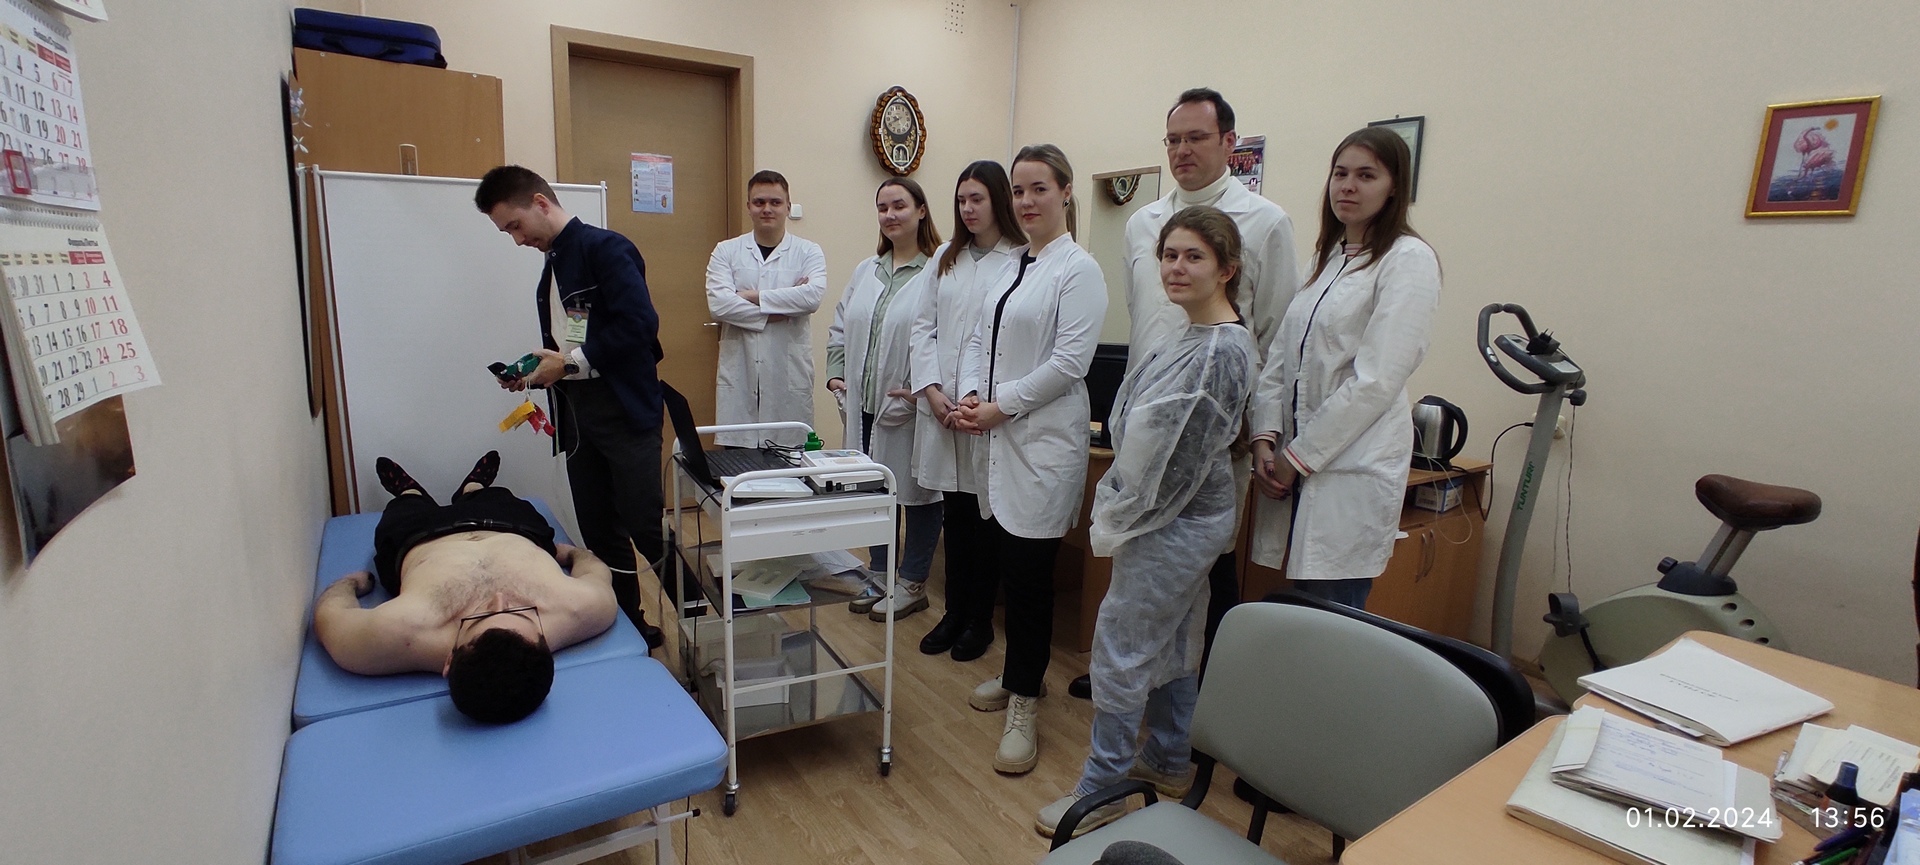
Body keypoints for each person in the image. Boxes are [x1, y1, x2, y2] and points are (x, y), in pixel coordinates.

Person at [1037, 207, 1257, 837]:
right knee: (1176, 639)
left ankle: (1103, 788)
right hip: (1173, 514)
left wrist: (1122, 510)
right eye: (1169, 255)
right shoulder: (1192, 335)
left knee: (1123, 645)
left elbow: (1177, 459)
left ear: (1227, 269)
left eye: (1194, 257)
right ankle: (1167, 757)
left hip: (1175, 519)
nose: (1176, 268)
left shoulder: (1220, 350)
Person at [1073, 88, 1299, 702]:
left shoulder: (1265, 222)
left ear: (1229, 142)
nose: (1182, 150)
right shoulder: (1144, 223)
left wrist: (1264, 433)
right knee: (1139, 557)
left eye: (1196, 138)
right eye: (1173, 140)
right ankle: (1131, 674)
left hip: (1213, 430)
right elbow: (1145, 320)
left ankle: (1205, 703)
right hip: (1150, 421)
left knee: (1204, 569)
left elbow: (1276, 339)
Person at [950, 144, 1107, 774]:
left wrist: (1001, 405)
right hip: (998, 436)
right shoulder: (1014, 262)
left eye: (1039, 188)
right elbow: (978, 340)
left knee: (1030, 577)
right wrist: (971, 394)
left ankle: (1024, 705)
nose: (1026, 201)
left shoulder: (1079, 270)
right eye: (1018, 190)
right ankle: (1025, 674)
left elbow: (1069, 364)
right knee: (1009, 570)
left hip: (1041, 443)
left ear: (1066, 192)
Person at [1248, 126, 1442, 608]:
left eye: (1366, 175)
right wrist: (1264, 437)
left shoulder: (1408, 260)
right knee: (1303, 609)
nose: (1348, 186)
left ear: (1394, 187)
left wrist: (1297, 457)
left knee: (1333, 615)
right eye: (1340, 174)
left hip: (1347, 467)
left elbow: (1376, 381)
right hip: (1295, 466)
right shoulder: (1326, 259)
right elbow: (1281, 359)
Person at [476, 165, 667, 649]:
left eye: (516, 225)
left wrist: (568, 363)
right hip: (577, 414)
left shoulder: (607, 249)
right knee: (599, 532)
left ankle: (705, 616)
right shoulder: (553, 267)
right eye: (507, 232)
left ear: (541, 203)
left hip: (624, 411)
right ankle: (631, 626)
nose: (517, 240)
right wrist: (536, 371)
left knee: (646, 527)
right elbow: (572, 343)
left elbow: (639, 327)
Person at [313, 451, 619, 724]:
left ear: (448, 661)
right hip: (513, 527)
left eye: (478, 618)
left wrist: (350, 584)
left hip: (419, 535)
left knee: (404, 507)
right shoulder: (584, 608)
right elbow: (594, 570)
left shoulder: (397, 634)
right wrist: (573, 554)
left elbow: (329, 616)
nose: (499, 599)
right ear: (544, 644)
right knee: (498, 496)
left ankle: (409, 492)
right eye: (521, 612)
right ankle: (473, 488)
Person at [909, 160, 1026, 661]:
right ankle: (953, 612)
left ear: (999, 200)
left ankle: (980, 621)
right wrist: (932, 391)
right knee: (953, 516)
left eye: (977, 198)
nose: (968, 208)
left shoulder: (1019, 257)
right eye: (961, 200)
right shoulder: (945, 257)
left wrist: (977, 398)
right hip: (942, 406)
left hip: (987, 411)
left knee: (985, 520)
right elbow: (923, 327)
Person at [825, 178, 944, 621]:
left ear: (921, 210)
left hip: (913, 404)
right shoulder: (867, 270)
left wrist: (922, 391)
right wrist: (836, 376)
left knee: (919, 493)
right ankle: (879, 575)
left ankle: (912, 582)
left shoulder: (938, 270)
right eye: (882, 208)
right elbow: (840, 326)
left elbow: (945, 338)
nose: (890, 215)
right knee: (876, 492)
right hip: (864, 403)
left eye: (899, 205)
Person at [704, 170, 828, 447]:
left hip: (788, 378)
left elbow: (811, 298)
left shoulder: (808, 252)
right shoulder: (726, 251)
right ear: (748, 206)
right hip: (741, 377)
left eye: (775, 202)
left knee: (789, 462)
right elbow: (719, 305)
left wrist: (751, 296)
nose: (767, 209)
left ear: (788, 206)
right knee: (737, 464)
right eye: (759, 202)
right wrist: (781, 310)